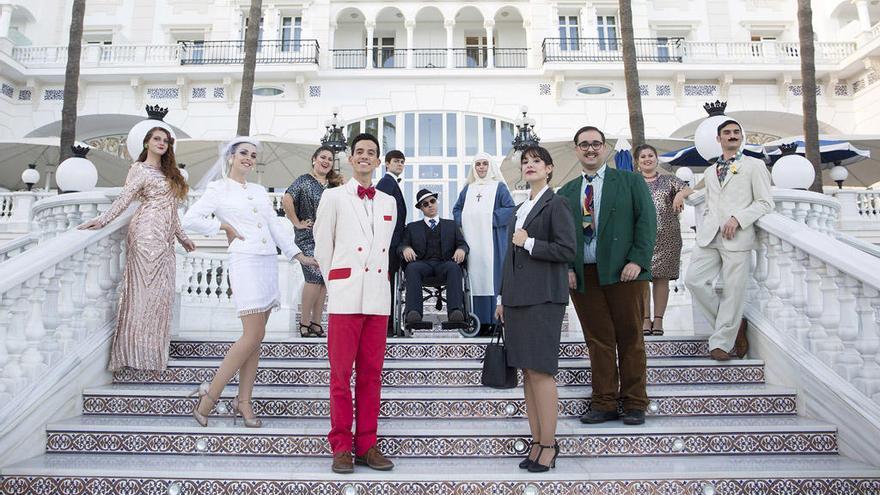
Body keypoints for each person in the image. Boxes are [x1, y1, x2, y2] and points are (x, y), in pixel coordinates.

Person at [182, 136, 317, 428]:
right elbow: (189, 220)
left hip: (267, 260)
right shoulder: (218, 189)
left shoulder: (257, 190)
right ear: (231, 157)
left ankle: (243, 401)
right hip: (245, 261)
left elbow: (274, 227)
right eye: (243, 153)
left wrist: (298, 255)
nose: (249, 158)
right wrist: (222, 225)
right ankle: (210, 396)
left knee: (256, 339)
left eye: (253, 155)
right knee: (251, 336)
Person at [557, 126, 657, 426]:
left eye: (596, 144)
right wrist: (568, 268)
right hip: (585, 277)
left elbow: (647, 222)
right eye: (584, 144)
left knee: (630, 338)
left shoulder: (629, 181)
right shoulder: (567, 191)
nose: (590, 149)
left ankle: (635, 402)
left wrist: (637, 261)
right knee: (598, 341)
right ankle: (604, 402)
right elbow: (562, 236)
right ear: (577, 149)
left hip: (626, 273)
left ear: (605, 148)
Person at [313, 133, 397, 474]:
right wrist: (337, 283)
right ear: (350, 158)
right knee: (339, 375)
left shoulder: (389, 201)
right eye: (359, 152)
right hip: (346, 296)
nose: (365, 157)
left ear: (378, 161)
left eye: (371, 153)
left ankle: (367, 444)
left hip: (377, 297)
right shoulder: (333, 196)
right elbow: (322, 246)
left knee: (372, 376)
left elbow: (386, 249)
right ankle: (341, 446)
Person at [78, 126, 195, 371]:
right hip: (144, 233)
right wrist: (102, 220)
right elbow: (125, 198)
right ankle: (132, 355)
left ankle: (151, 354)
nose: (162, 143)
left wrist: (182, 237)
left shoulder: (169, 173)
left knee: (161, 295)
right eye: (157, 139)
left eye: (166, 140)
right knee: (142, 293)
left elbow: (172, 210)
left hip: (165, 240)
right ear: (146, 143)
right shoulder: (139, 169)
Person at [496, 145, 575, 473]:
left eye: (536, 162)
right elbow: (509, 258)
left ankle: (549, 443)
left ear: (549, 169)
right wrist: (501, 298)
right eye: (525, 162)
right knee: (527, 374)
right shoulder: (519, 208)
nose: (529, 166)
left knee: (541, 371)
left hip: (543, 298)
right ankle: (536, 440)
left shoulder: (557, 204)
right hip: (516, 299)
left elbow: (566, 248)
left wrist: (529, 242)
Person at [685, 120, 773, 361]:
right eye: (727, 133)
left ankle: (722, 343)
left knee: (734, 291)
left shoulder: (754, 166)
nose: (732, 136)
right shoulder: (711, 170)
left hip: (738, 236)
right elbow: (710, 199)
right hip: (710, 236)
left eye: (736, 132)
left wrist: (738, 218)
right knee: (693, 280)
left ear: (741, 137)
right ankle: (735, 327)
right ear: (719, 139)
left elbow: (766, 202)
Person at [282, 146, 344, 338]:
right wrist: (296, 223)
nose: (326, 161)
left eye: (330, 159)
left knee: (324, 280)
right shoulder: (303, 181)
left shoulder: (333, 185)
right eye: (323, 157)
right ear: (314, 159)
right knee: (313, 277)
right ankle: (304, 322)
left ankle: (316, 322)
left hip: (329, 237)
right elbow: (286, 199)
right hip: (308, 236)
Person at [453, 152, 516, 333]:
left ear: (490, 166)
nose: (481, 167)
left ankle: (496, 320)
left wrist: (489, 218)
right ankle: (477, 320)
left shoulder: (499, 188)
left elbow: (510, 209)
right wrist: (464, 220)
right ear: (474, 167)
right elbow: (457, 209)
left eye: (485, 164)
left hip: (493, 240)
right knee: (474, 278)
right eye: (478, 164)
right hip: (472, 241)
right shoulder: (468, 189)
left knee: (493, 276)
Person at [636, 144, 693, 336]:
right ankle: (644, 319)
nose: (647, 159)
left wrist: (679, 194)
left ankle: (658, 320)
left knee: (662, 278)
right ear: (638, 162)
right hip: (640, 237)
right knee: (641, 278)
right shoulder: (632, 181)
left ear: (656, 159)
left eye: (650, 155)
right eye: (642, 156)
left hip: (667, 236)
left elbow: (688, 189)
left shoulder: (669, 180)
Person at [399, 189, 469, 327]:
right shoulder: (412, 227)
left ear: (436, 202)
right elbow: (401, 245)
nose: (430, 205)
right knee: (412, 268)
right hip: (422, 265)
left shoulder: (451, 225)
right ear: (421, 208)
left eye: (432, 201)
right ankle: (413, 313)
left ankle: (455, 312)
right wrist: (405, 248)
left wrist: (461, 249)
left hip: (445, 264)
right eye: (425, 204)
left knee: (454, 267)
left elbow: (463, 244)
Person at [375, 150, 407, 335]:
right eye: (396, 161)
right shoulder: (387, 182)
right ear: (387, 164)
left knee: (391, 284)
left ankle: (389, 324)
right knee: (387, 284)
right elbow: (381, 212)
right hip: (389, 242)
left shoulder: (392, 183)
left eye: (402, 162)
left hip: (393, 242)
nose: (399, 164)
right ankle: (386, 326)